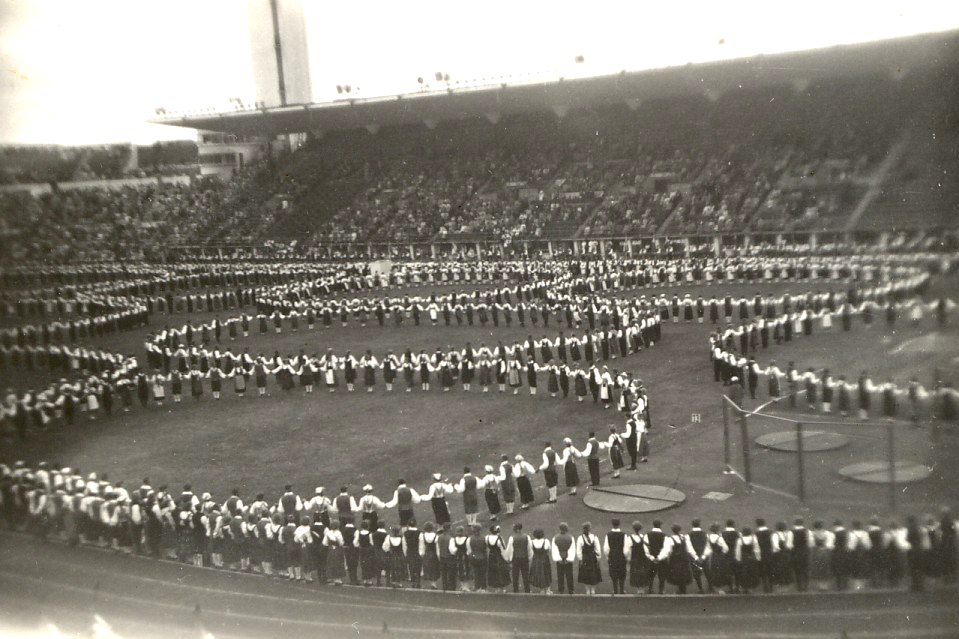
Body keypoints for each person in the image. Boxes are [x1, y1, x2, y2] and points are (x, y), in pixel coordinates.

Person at [577, 522, 603, 595]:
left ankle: (587, 590)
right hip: (593, 558)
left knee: (585, 574)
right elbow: (598, 549)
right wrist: (598, 558)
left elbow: (578, 551)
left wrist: (580, 559)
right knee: (594, 573)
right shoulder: (595, 537)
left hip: (585, 558)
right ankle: (593, 590)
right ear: (590, 529)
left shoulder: (580, 538)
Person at [506, 523, 532, 593]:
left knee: (515, 575)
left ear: (516, 529)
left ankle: (515, 590)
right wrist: (529, 557)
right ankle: (527, 590)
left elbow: (510, 549)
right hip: (524, 558)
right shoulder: (527, 537)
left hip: (515, 559)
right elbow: (529, 548)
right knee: (525, 575)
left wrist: (509, 559)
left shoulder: (512, 538)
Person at [604, 518, 628, 594]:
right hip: (621, 556)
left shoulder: (608, 535)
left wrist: (607, 556)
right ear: (619, 524)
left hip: (612, 556)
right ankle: (621, 589)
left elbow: (606, 548)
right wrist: (626, 556)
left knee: (613, 573)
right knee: (622, 573)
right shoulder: (624, 535)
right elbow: (626, 548)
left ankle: (615, 589)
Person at [485, 525, 511, 592]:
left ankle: (496, 588)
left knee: (493, 571)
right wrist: (506, 559)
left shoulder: (487, 538)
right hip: (498, 556)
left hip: (491, 556)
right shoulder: (499, 539)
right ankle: (502, 588)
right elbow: (503, 549)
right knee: (501, 571)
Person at [552, 522, 576, 595]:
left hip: (559, 559)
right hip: (568, 559)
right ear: (566, 529)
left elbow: (554, 549)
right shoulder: (571, 537)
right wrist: (568, 559)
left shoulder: (555, 537)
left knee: (560, 575)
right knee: (569, 575)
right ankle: (571, 590)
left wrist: (558, 559)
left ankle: (561, 590)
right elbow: (572, 549)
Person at [528, 528, 553, 594]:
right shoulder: (546, 541)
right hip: (544, 559)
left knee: (539, 573)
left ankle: (542, 589)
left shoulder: (531, 542)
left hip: (536, 560)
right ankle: (547, 590)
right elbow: (550, 549)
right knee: (546, 573)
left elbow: (531, 550)